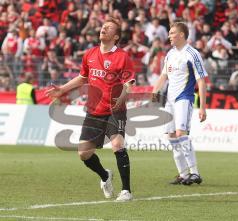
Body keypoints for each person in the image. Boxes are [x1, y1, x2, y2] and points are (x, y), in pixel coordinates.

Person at [45, 17, 135, 201]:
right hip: (94, 110)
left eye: (108, 28)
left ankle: (126, 191)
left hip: (114, 109)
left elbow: (129, 83)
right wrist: (62, 90)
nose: (103, 29)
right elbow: (82, 77)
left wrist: (123, 97)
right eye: (103, 26)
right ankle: (105, 176)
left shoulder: (122, 56)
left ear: (116, 36)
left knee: (117, 144)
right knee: (84, 154)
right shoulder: (90, 54)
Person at [152, 22, 207, 185]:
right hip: (169, 100)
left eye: (172, 33)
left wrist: (202, 107)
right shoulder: (170, 54)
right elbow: (163, 76)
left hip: (184, 98)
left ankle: (195, 173)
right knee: (171, 136)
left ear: (182, 35)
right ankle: (183, 174)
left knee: (181, 133)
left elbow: (202, 82)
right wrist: (155, 90)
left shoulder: (192, 53)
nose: (169, 36)